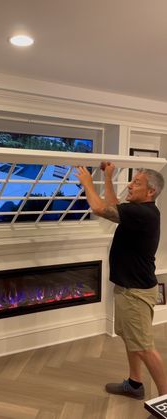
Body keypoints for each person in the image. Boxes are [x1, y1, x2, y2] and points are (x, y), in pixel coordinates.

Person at [75, 162, 167, 400]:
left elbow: (98, 207)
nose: (130, 185)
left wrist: (87, 182)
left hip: (135, 292)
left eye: (136, 183)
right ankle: (135, 385)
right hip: (130, 289)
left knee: (145, 347)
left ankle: (165, 402)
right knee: (132, 339)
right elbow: (114, 207)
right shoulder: (138, 212)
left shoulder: (143, 213)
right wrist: (108, 178)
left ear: (150, 192)